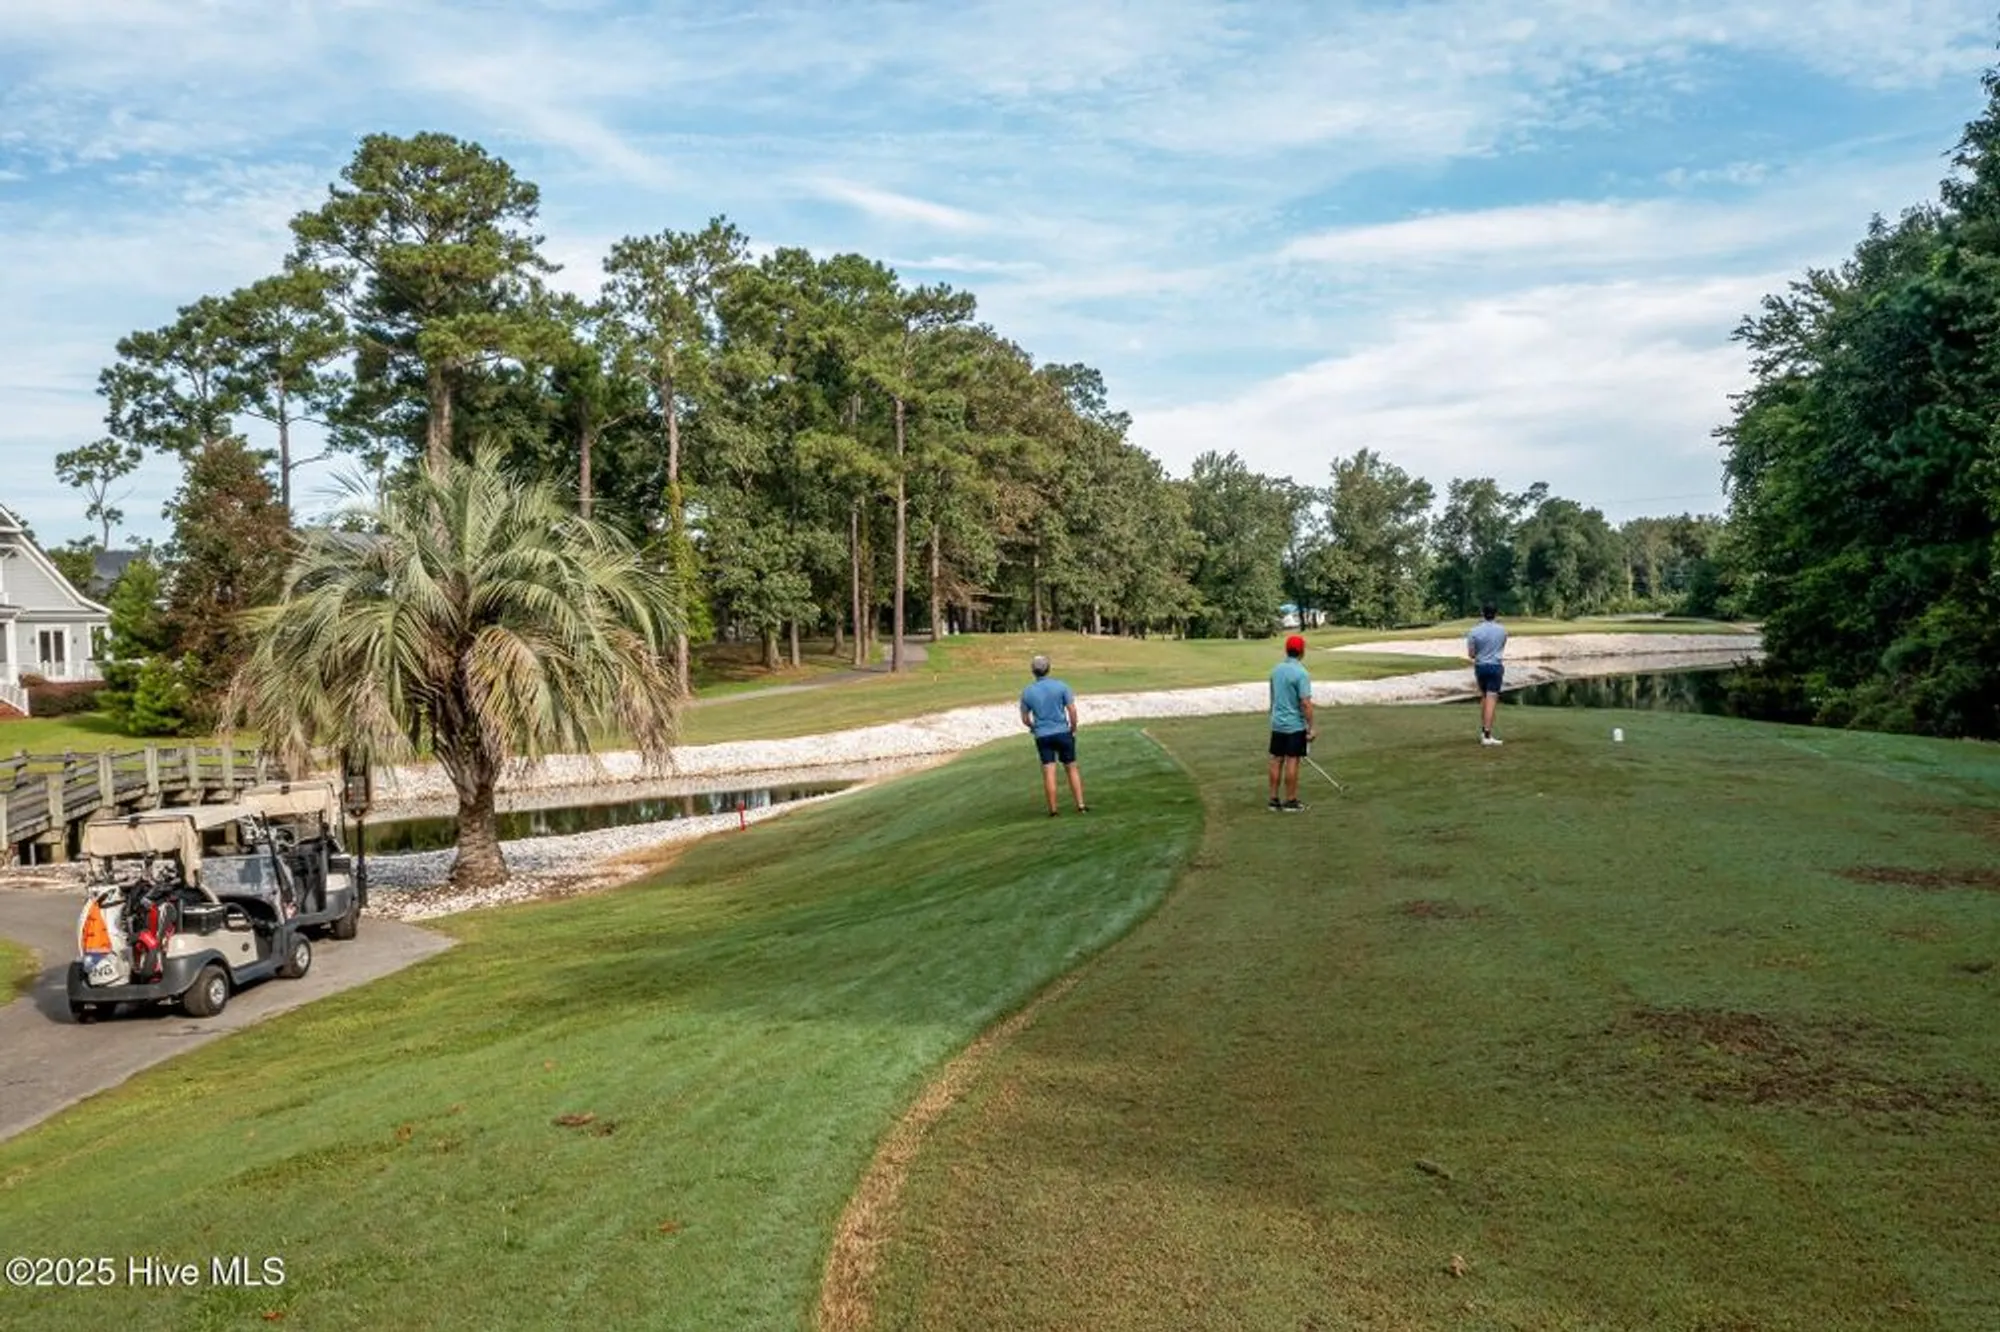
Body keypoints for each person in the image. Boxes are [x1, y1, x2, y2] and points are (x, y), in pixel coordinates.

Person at [1020, 653, 1087, 817]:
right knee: (1071, 768)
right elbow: (1072, 710)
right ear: (1048, 669)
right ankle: (1080, 805)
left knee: (1049, 771)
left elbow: (1025, 718)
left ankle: (1053, 810)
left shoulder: (1028, 692)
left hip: (1043, 735)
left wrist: (1034, 727)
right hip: (1062, 731)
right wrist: (1073, 727)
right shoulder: (1061, 686)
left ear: (1033, 671)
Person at [1267, 634, 1316, 812]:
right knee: (1292, 761)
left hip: (1277, 723)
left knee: (1276, 759)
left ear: (1287, 650)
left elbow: (1272, 698)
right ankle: (1291, 800)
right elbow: (1305, 703)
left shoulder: (1276, 670)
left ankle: (1273, 800)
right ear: (1301, 651)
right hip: (1294, 725)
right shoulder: (1301, 673)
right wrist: (1311, 727)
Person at [1466, 603, 1508, 746]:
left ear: (1482, 613)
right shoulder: (1502, 630)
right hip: (1495, 666)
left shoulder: (1474, 631)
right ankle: (1487, 735)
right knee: (1491, 698)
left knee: (1484, 696)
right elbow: (1501, 647)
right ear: (1496, 613)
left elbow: (1471, 654)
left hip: (1480, 667)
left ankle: (1484, 730)